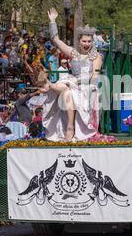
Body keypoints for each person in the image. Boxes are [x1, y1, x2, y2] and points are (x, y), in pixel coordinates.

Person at [41, 8, 103, 141]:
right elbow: (56, 39)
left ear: (92, 42)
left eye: (89, 41)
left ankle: (49, 85)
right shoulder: (73, 53)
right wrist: (52, 21)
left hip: (85, 87)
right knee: (68, 90)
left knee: (69, 92)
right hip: (72, 83)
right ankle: (69, 127)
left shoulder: (96, 56)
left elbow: (95, 75)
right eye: (84, 41)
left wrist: (90, 86)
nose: (86, 44)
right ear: (79, 42)